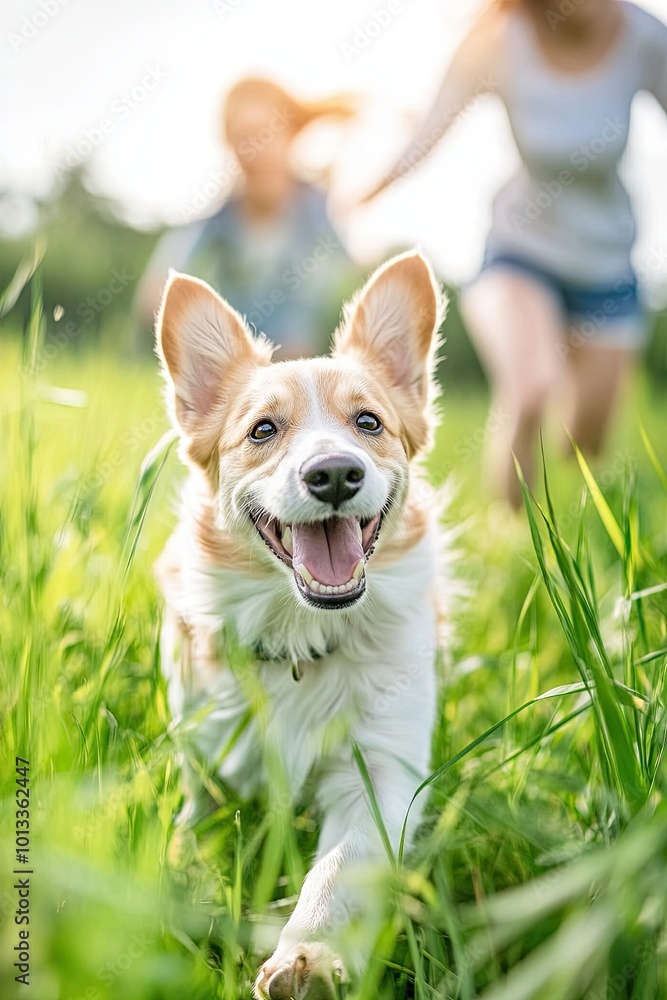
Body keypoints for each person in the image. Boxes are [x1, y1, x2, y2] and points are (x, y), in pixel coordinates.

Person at [361, 0, 667, 506]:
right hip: (520, 249)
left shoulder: (643, 37)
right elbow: (428, 130)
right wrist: (364, 193)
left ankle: (568, 529)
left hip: (608, 265)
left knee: (587, 443)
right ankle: (509, 538)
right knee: (529, 389)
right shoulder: (499, 39)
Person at [136, 78, 359, 358]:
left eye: (267, 132)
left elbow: (356, 280)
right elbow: (154, 293)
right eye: (244, 137)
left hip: (308, 359)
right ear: (230, 145)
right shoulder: (217, 218)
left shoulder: (318, 208)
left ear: (289, 135)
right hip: (236, 359)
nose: (257, 149)